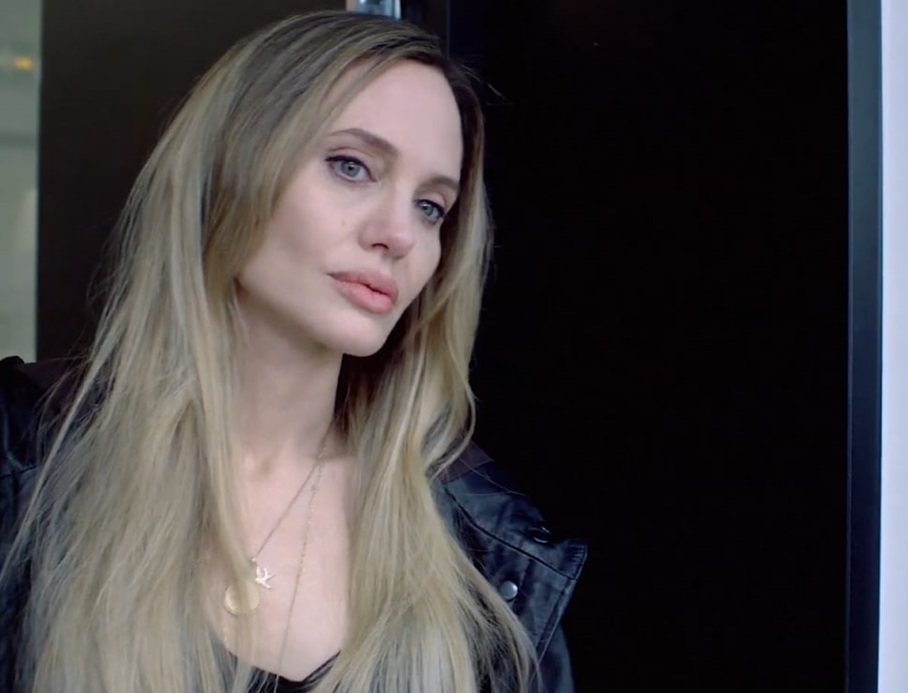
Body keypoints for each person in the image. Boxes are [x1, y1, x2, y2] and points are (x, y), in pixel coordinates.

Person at [0, 10, 585, 693]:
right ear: (228, 168)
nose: (398, 234)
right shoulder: (25, 460)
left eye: (431, 206)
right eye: (351, 166)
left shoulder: (488, 552)